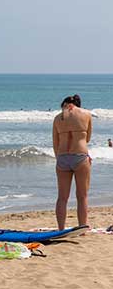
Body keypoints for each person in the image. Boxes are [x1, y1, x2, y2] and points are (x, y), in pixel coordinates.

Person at [52, 94, 92, 230]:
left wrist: (59, 159)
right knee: (82, 196)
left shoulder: (57, 118)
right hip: (80, 156)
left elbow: (55, 143)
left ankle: (61, 229)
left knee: (62, 197)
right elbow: (87, 139)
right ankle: (82, 228)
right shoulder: (86, 114)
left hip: (63, 157)